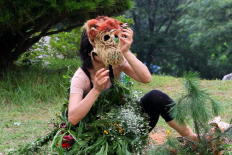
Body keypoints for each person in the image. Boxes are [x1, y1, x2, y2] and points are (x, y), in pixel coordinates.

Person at [68, 16, 197, 141]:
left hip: (127, 124)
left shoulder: (116, 63)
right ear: (91, 51)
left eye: (114, 40)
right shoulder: (81, 78)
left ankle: (193, 139)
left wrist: (126, 52)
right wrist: (96, 90)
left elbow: (146, 78)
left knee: (156, 96)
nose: (113, 47)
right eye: (106, 43)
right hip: (101, 134)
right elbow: (73, 118)